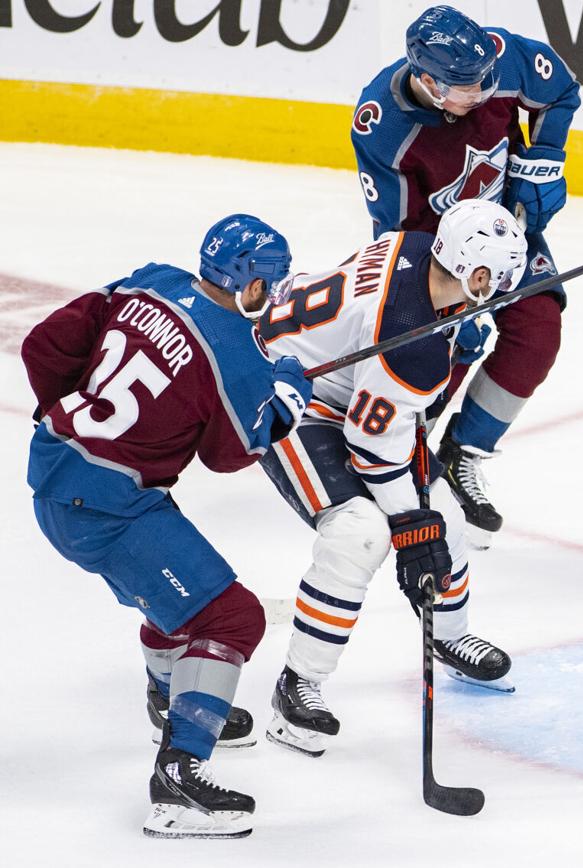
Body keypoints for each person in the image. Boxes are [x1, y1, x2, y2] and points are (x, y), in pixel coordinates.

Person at [23, 214, 312, 838]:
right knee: (233, 618)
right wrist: (284, 397)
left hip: (57, 471)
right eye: (273, 283)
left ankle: (169, 699)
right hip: (108, 508)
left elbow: (42, 345)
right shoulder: (235, 357)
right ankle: (178, 783)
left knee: (184, 590)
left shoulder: (149, 282)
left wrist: (74, 424)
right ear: (252, 286)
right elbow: (231, 453)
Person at [258, 198, 528, 758]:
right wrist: (409, 528)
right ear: (472, 272)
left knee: (447, 518)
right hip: (285, 398)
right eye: (496, 277)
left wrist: (426, 523)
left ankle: (450, 639)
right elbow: (371, 447)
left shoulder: (414, 247)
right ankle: (296, 686)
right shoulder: (410, 343)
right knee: (359, 533)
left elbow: (379, 397)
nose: (503, 287)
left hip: (345, 381)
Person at [351, 5, 581, 543]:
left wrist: (541, 163)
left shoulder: (498, 59)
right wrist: (447, 299)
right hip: (440, 253)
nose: (480, 93)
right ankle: (400, 455)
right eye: (464, 87)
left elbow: (561, 92)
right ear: (426, 80)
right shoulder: (383, 126)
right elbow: (397, 230)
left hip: (506, 230)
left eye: (484, 83)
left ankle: (464, 450)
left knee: (540, 330)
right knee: (440, 354)